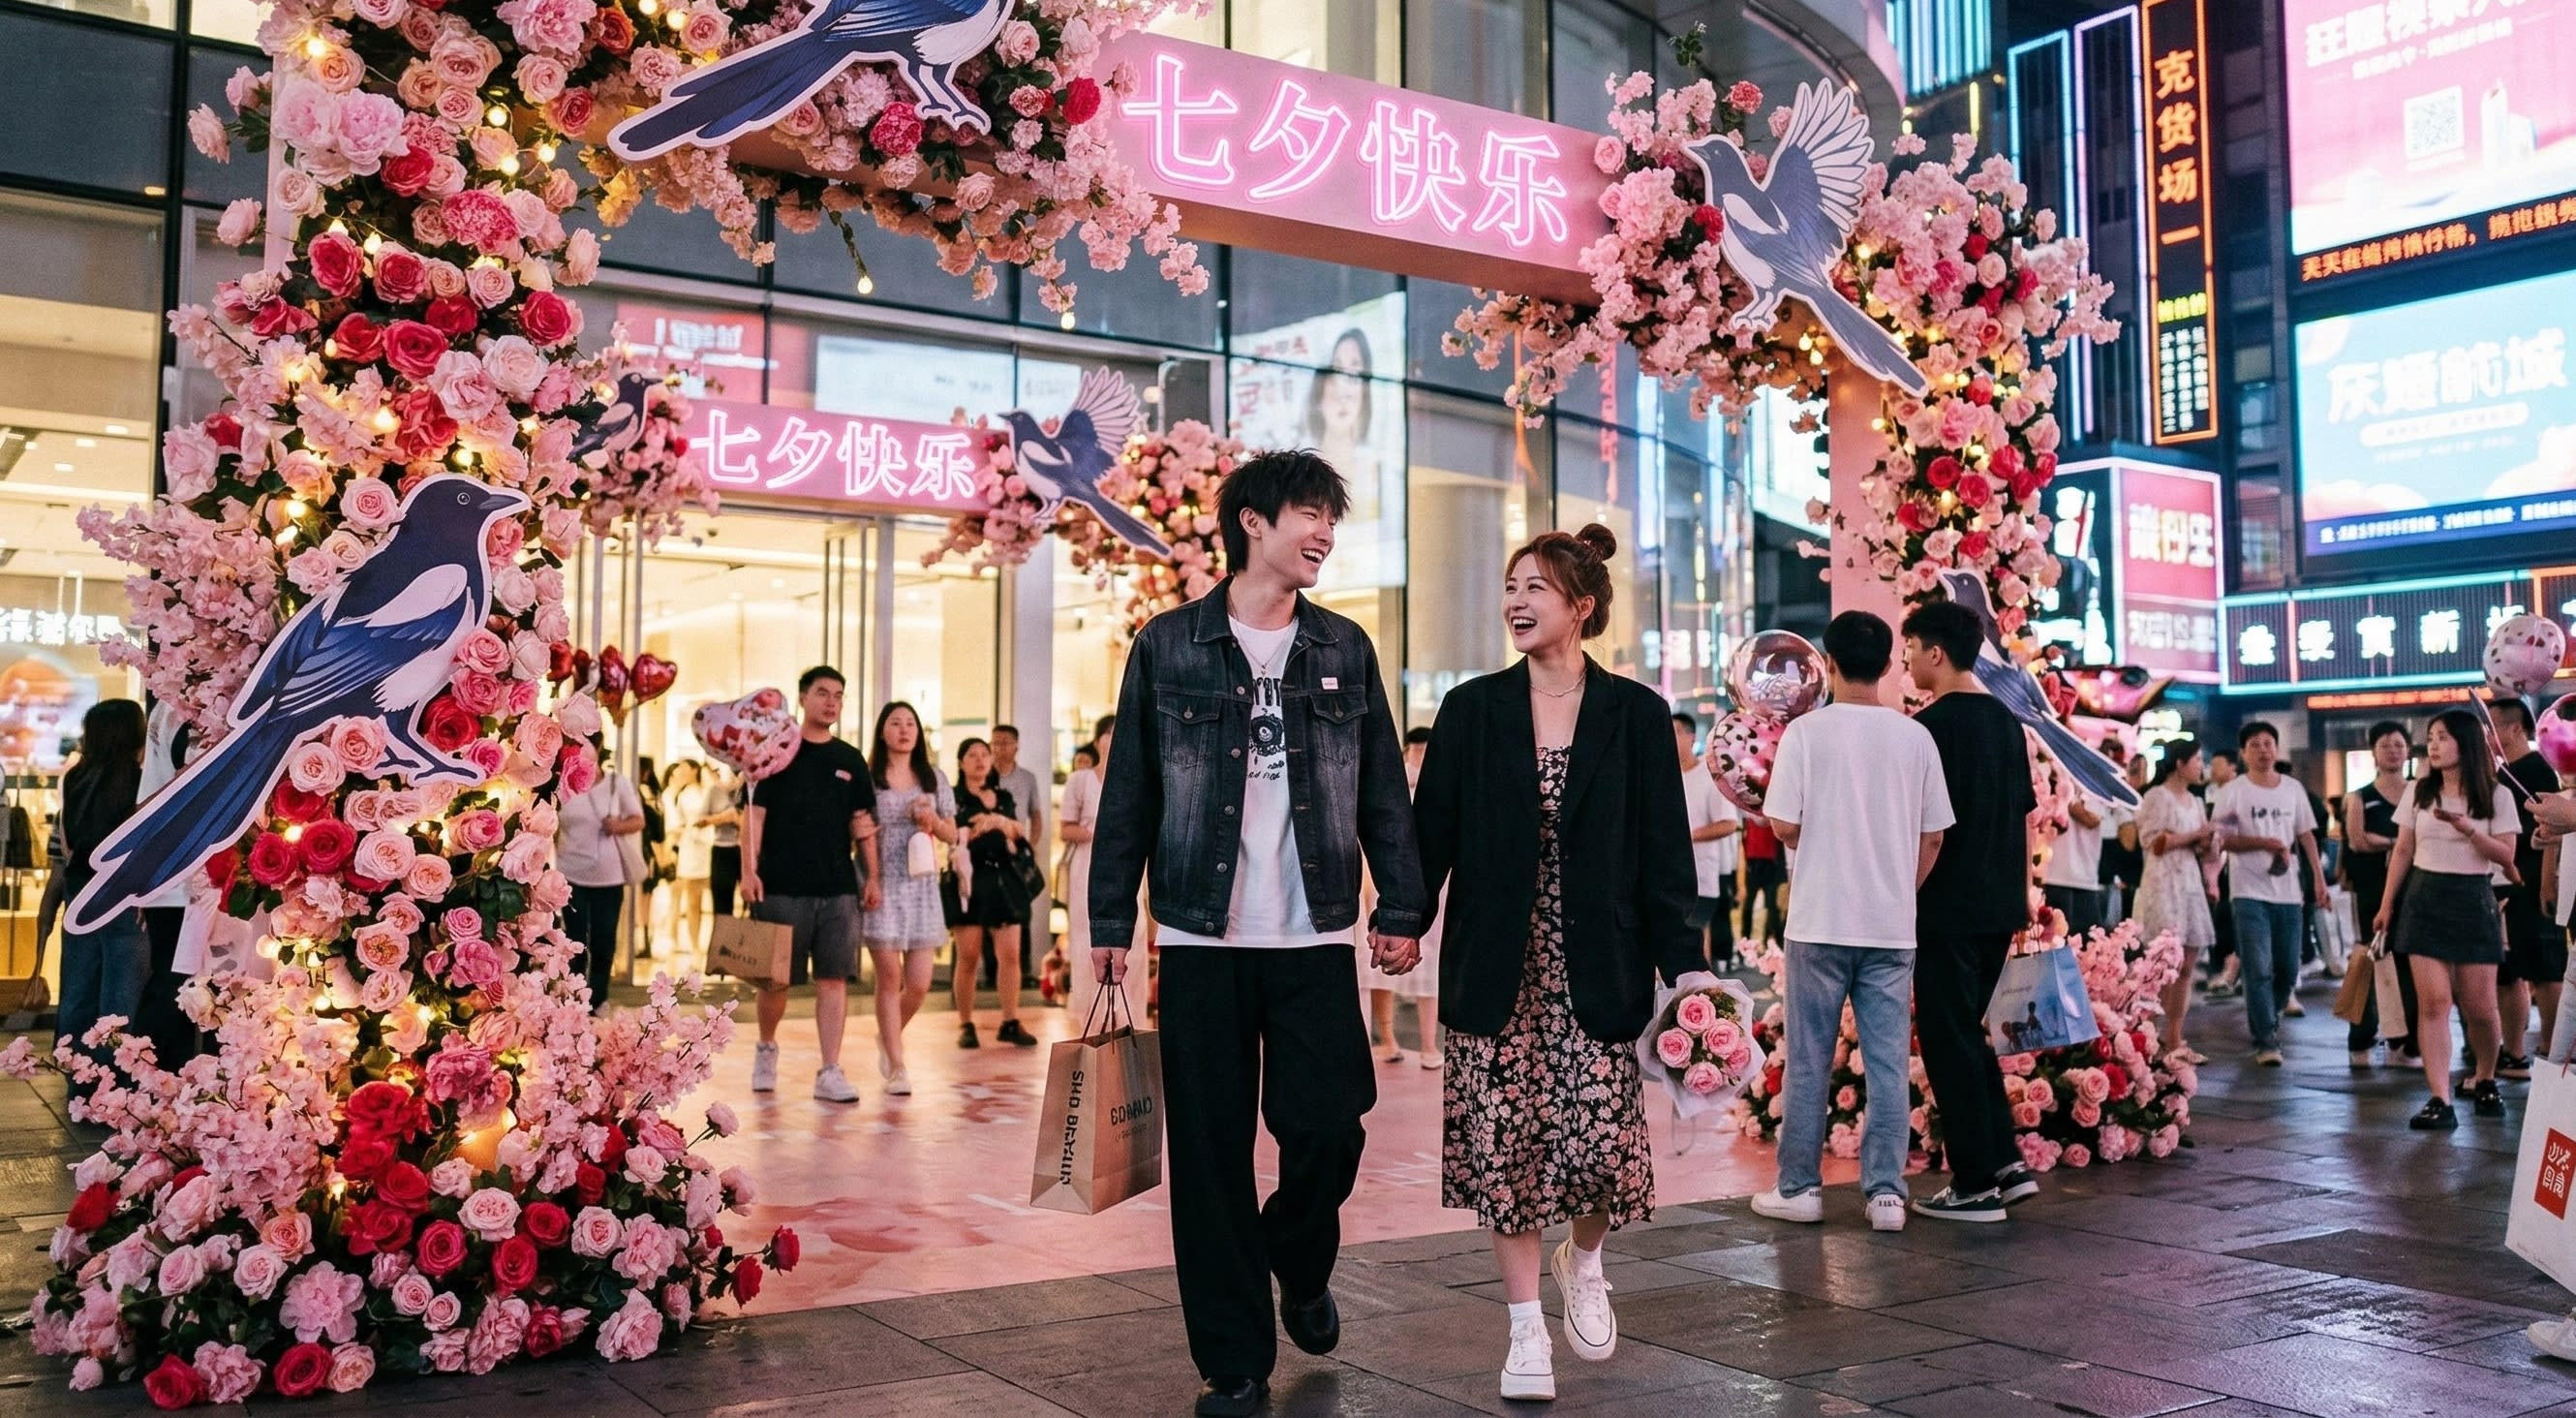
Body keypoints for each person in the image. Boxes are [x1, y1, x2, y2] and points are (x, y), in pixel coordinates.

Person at [1089, 449, 1427, 1418]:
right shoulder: (1168, 644)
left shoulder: (1342, 647)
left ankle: (1296, 1254)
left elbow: (1379, 794)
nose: (1323, 533)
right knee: (1209, 1155)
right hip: (1200, 939)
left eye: (1330, 517)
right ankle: (1233, 1357)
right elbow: (1130, 796)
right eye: (1308, 515)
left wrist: (1399, 909)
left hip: (1314, 933)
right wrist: (1111, 919)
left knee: (1329, 1123)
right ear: (1252, 523)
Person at [1414, 526, 1702, 1402]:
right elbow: (1432, 839)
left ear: (1581, 606)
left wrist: (1685, 969)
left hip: (1599, 962)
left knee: (1599, 1146)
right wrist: (1401, 919)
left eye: (1535, 587)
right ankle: (1522, 1331)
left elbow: (1664, 853)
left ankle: (1586, 1262)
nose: (1516, 601)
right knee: (1507, 1152)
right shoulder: (1471, 709)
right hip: (1496, 966)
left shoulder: (1638, 714)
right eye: (1510, 586)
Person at [1751, 610, 1951, 1235]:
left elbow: (1782, 825)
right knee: (1889, 1061)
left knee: (1809, 1057)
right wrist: (1895, 886)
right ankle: (1887, 1194)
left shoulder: (1806, 735)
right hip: (1890, 927)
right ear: (1891, 664)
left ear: (1827, 665)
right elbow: (1934, 836)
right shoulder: (1915, 737)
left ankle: (1800, 1189)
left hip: (1818, 919)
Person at [1899, 601, 2039, 1222]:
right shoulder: (2007, 722)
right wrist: (2025, 894)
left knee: (1947, 1038)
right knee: (1970, 1032)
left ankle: (1975, 1183)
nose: (1905, 659)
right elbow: (2026, 818)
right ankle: (2005, 1163)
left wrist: (1904, 894)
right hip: (1999, 904)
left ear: (1936, 652)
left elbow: (1926, 833)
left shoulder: (1928, 729)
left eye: (1911, 647)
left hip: (1945, 905)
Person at [2376, 708, 2519, 1129]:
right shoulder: (2419, 790)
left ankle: (2486, 1078)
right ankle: (2440, 1097)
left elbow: (2507, 856)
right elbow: (2403, 850)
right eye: (2431, 738)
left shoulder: (2496, 795)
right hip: (2423, 898)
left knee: (2480, 1006)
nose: (2433, 745)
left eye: (2443, 737)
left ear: (2466, 743)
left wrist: (2467, 829)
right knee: (2434, 1003)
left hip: (2474, 897)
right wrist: (2387, 905)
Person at [743, 665, 877, 1104]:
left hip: (838, 886)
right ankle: (766, 1047)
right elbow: (754, 816)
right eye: (823, 693)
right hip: (782, 884)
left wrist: (873, 877)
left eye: (839, 694)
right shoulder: (776, 753)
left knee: (834, 979)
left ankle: (831, 1069)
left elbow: (863, 824)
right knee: (774, 981)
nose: (832, 702)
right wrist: (749, 870)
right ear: (802, 698)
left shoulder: (849, 759)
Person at [2211, 723, 2327, 1064]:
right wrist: (2265, 843)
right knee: (2258, 967)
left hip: (2289, 892)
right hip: (2248, 892)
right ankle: (2265, 1041)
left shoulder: (2292, 789)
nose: (2263, 750)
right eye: (2255, 744)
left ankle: (2269, 1018)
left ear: (2277, 749)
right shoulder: (2234, 791)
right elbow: (2222, 840)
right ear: (2244, 752)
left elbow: (2306, 836)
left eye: (2268, 744)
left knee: (2289, 968)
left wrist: (2318, 880)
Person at [862, 701, 954, 1094]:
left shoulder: (933, 777)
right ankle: (898, 1065)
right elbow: (861, 829)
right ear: (882, 731)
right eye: (895, 723)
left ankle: (888, 1035)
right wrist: (872, 878)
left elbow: (953, 833)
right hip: (882, 883)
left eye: (910, 723)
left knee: (918, 982)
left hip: (922, 885)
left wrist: (932, 821)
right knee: (889, 977)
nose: (904, 729)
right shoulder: (869, 779)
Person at [56, 700, 148, 1084]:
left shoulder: (75, 777)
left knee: (77, 986)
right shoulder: (139, 777)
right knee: (121, 994)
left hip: (80, 889)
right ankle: (114, 1084)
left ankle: (77, 1075)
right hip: (124, 893)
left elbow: (68, 845)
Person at [2492, 698, 2566, 1077]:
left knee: (2546, 969)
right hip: (2504, 881)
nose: (2488, 735)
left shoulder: (2537, 770)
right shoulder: (2500, 773)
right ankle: (2514, 1050)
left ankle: (2551, 1049)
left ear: (2515, 729)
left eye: (2493, 727)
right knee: (2509, 971)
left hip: (2534, 880)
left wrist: (2547, 882)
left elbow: (2551, 833)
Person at [2341, 722, 2420, 1068]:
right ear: (2373, 751)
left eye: (2399, 745)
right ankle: (2361, 1037)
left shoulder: (2419, 792)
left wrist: (2386, 843)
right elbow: (2357, 840)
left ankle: (2403, 1043)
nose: (2393, 750)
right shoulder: (2360, 796)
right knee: (2371, 961)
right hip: (2372, 887)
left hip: (2413, 887)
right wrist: (2397, 844)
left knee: (2409, 965)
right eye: (2386, 745)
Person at [1364, 726, 1444, 1066]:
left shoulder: (1437, 781)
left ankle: (1428, 1044)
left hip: (1428, 881)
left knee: (1428, 968)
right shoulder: (1393, 781)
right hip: (1384, 881)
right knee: (1379, 964)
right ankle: (1389, 1038)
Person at [948, 737, 1035, 1049]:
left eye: (984, 754)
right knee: (969, 956)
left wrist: (996, 821)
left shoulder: (1003, 796)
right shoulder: (954, 798)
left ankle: (1010, 1020)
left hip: (1004, 880)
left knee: (1009, 955)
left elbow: (1017, 831)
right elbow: (955, 835)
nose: (980, 759)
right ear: (961, 763)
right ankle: (966, 1023)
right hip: (969, 881)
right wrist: (988, 827)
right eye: (972, 755)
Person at [2135, 739, 2220, 1058]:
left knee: (2186, 964)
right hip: (2163, 882)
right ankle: (2148, 1035)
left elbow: (2200, 847)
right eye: (2197, 759)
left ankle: (2175, 1037)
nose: (2201, 765)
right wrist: (2191, 836)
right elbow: (2152, 842)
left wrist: (2208, 841)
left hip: (2188, 881)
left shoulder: (2196, 802)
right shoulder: (2157, 796)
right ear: (2180, 764)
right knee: (2162, 964)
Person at [555, 738, 645, 1010]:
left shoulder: (618, 784)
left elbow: (638, 820)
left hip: (609, 876)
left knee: (605, 941)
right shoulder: (562, 786)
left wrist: (617, 825)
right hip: (571, 874)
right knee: (575, 942)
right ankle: (575, 999)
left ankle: (599, 998)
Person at [1677, 713, 1742, 971]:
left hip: (1700, 878)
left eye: (1676, 732)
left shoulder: (1709, 777)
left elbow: (1728, 823)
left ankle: (1703, 1002)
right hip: (1668, 877)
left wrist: (1686, 836)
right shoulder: (1663, 774)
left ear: (1691, 737)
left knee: (1695, 944)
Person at [992, 723, 1048, 993]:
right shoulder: (986, 775)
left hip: (1017, 853)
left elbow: (1036, 814)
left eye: (1005, 742)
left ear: (1016, 745)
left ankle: (1022, 969)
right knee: (992, 911)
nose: (999, 748)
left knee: (1020, 910)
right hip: (990, 853)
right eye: (995, 743)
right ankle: (992, 973)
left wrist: (1033, 843)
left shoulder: (1027, 778)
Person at [2203, 749, 2244, 999]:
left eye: (2217, 764)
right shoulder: (2207, 793)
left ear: (2232, 768)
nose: (2211, 769)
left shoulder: (2241, 792)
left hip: (2235, 867)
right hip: (2216, 868)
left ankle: (2233, 970)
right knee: (2221, 922)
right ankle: (2224, 970)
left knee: (2231, 920)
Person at [664, 759, 713, 959]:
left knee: (703, 899)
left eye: (684, 768)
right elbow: (677, 823)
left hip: (708, 847)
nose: (681, 772)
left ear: (694, 770)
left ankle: (706, 942)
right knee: (693, 901)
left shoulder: (706, 790)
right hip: (691, 849)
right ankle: (695, 945)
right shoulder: (681, 795)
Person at [704, 762, 744, 916]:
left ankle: (748, 938)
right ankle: (724, 939)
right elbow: (699, 820)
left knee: (754, 904)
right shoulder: (715, 790)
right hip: (722, 849)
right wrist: (722, 818)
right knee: (722, 904)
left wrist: (738, 819)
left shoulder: (752, 788)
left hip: (746, 849)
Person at [1742, 817, 1786, 949]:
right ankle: (1746, 943)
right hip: (1752, 863)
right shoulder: (1748, 808)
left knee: (1772, 909)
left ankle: (1771, 945)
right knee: (1748, 906)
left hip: (1772, 863)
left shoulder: (1774, 810)